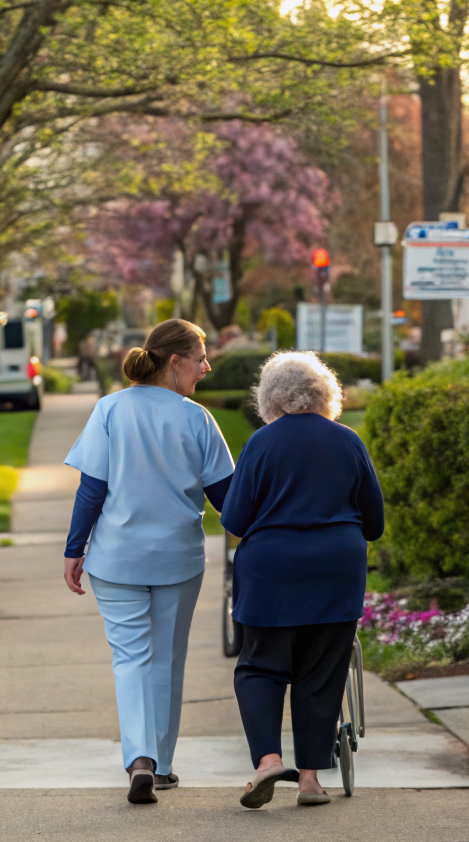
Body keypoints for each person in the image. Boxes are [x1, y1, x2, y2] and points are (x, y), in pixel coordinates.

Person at [63, 319, 235, 804]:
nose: (207, 366)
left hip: (116, 559)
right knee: (167, 661)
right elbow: (227, 498)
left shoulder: (109, 410)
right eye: (201, 357)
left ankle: (139, 759)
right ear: (174, 361)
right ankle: (160, 764)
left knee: (130, 660)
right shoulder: (196, 418)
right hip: (177, 559)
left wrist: (74, 549)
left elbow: (92, 488)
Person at [221, 352, 384, 808]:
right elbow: (374, 523)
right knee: (322, 671)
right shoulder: (348, 441)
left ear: (269, 397)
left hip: (272, 572)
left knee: (260, 666)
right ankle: (310, 780)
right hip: (336, 571)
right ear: (325, 395)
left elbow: (234, 517)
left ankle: (269, 761)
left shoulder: (261, 443)